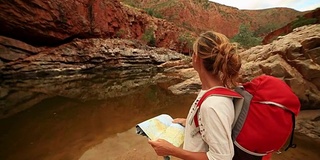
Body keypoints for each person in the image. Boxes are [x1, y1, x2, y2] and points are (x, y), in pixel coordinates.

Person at [148, 31, 242, 160]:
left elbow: (221, 158)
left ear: (197, 58)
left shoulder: (212, 106)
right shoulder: (213, 93)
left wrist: (172, 151)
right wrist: (190, 123)